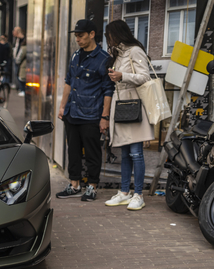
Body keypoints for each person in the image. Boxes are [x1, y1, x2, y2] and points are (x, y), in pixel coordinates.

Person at [56, 19, 114, 202]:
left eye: (80, 36)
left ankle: (92, 186)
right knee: (72, 151)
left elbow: (108, 90)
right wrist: (62, 106)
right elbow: (68, 82)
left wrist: (104, 117)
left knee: (92, 152)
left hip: (91, 115)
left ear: (92, 34)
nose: (78, 40)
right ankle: (74, 185)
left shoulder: (104, 59)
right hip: (72, 112)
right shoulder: (75, 56)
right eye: (76, 36)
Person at [104, 20, 154, 211]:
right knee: (125, 153)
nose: (109, 39)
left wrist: (122, 76)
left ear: (117, 33)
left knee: (135, 153)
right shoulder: (118, 53)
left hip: (134, 106)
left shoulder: (134, 50)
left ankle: (138, 194)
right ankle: (124, 192)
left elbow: (145, 77)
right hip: (123, 106)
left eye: (110, 35)